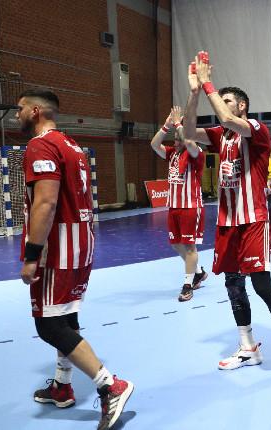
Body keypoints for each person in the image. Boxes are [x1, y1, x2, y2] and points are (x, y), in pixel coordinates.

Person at [182, 53, 271, 378]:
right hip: (227, 222)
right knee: (233, 285)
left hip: (253, 220)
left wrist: (207, 83)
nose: (222, 106)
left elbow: (225, 118)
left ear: (242, 106)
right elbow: (188, 132)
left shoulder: (256, 129)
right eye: (220, 100)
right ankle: (247, 346)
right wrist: (194, 93)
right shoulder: (220, 136)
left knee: (262, 285)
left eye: (228, 101)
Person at [16, 89, 133, 430]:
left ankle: (110, 386)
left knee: (49, 325)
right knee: (66, 318)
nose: (16, 114)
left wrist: (32, 255)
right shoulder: (72, 145)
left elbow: (46, 202)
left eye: (20, 109)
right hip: (81, 242)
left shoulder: (40, 146)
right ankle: (62, 385)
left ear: (35, 111)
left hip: (58, 249)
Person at [149, 106, 208, 302]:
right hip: (174, 206)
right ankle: (198, 272)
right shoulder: (172, 154)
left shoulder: (196, 153)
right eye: (174, 138)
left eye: (178, 138)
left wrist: (178, 124)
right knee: (176, 244)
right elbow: (154, 144)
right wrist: (166, 126)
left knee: (190, 247)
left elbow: (189, 142)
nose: (175, 141)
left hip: (191, 206)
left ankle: (187, 285)